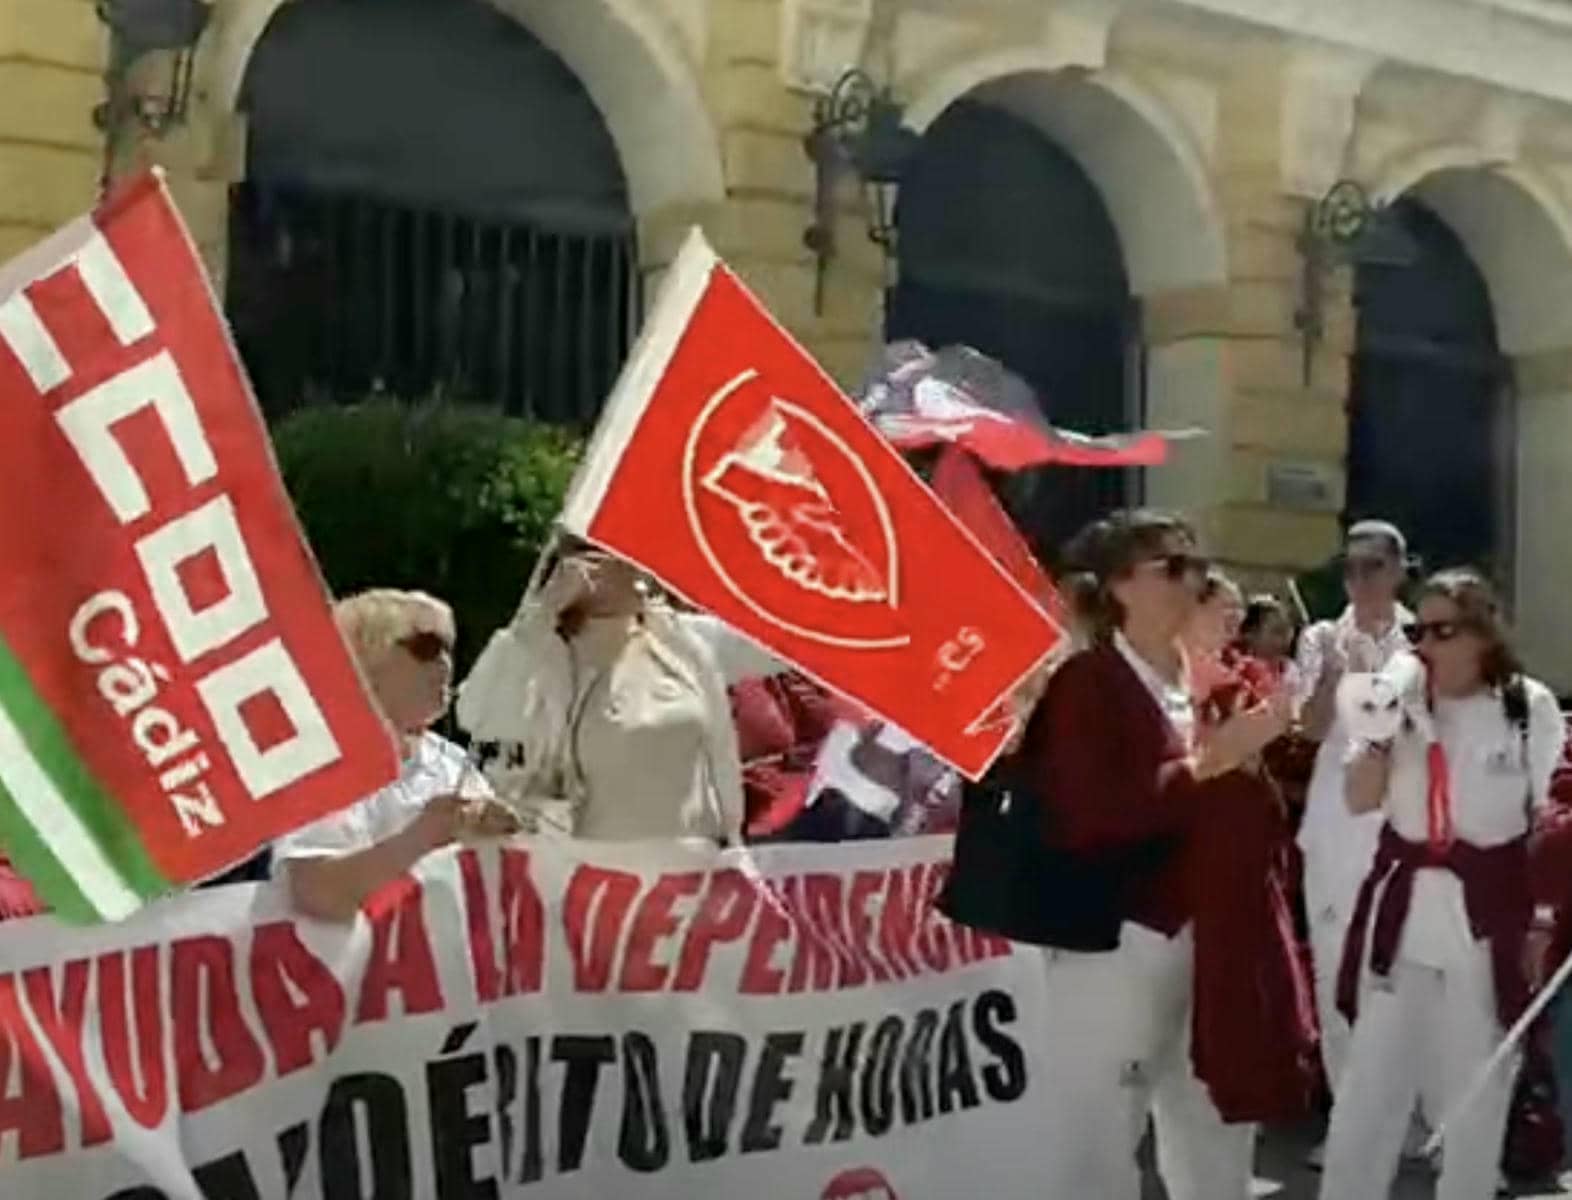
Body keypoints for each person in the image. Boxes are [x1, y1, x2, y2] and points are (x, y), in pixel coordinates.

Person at [1018, 509, 1292, 1200]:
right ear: (1120, 588)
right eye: (1173, 568)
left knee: (1212, 1143)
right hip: (1119, 944)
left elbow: (1257, 817)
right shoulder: (1088, 683)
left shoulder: (1205, 682)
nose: (1192, 582)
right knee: (1099, 1145)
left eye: (1196, 567)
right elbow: (1093, 815)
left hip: (1214, 943)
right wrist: (1209, 765)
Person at [1319, 569, 1562, 1200]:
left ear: (1482, 634)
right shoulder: (1394, 701)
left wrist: (1541, 920)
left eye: (1442, 631)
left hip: (1484, 916)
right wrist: (1376, 732)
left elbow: (1539, 819)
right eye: (1416, 631)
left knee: (1476, 1086)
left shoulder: (1526, 706)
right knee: (1371, 1085)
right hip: (1404, 917)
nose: (1425, 645)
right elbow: (1357, 799)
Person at [457, 538, 777, 844]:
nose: (641, 564)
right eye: (624, 553)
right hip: (591, 878)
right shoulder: (537, 652)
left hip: (692, 873)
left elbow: (781, 645)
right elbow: (475, 713)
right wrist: (542, 614)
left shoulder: (683, 641)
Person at [274, 589, 519, 921]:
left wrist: (500, 835)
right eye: (426, 648)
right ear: (366, 659)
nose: (445, 663)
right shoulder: (323, 765)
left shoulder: (450, 761)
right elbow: (315, 892)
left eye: (448, 648)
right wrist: (420, 838)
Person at [1295, 520, 1416, 1117]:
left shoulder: (1422, 641)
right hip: (1336, 828)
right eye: (1351, 568)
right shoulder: (1320, 637)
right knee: (1334, 971)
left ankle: (1408, 1117)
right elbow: (1312, 728)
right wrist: (1338, 674)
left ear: (1397, 571)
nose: (1360, 580)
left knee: (1397, 973)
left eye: (1373, 567)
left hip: (1404, 828)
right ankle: (1350, 1118)